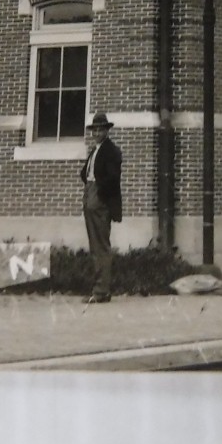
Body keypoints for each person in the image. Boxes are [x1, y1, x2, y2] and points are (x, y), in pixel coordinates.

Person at [79, 112, 122, 303]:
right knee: (95, 245)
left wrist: (99, 194)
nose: (97, 133)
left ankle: (101, 290)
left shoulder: (111, 151)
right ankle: (100, 288)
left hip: (99, 199)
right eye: (94, 130)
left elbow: (112, 179)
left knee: (101, 246)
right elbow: (85, 173)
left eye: (101, 129)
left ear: (107, 131)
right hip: (90, 195)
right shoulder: (95, 150)